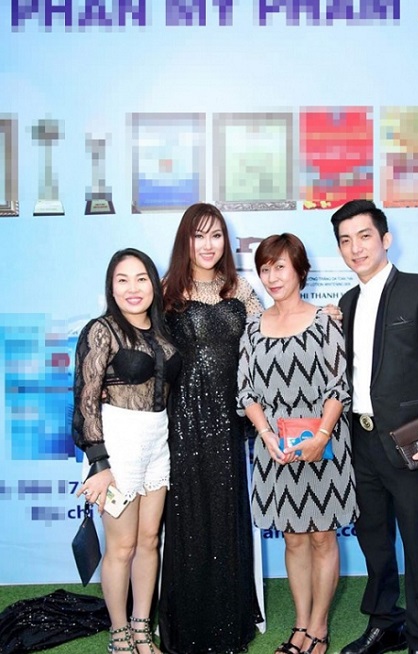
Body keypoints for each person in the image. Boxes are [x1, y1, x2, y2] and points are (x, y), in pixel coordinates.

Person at [330, 200, 418, 654]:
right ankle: (385, 622)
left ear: (385, 239)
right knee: (374, 539)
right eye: (346, 240)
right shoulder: (347, 302)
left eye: (364, 236)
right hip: (360, 441)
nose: (356, 248)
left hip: (411, 441)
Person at [237, 233, 359, 654]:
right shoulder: (252, 328)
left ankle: (319, 629)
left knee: (323, 537)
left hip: (325, 446)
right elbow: (246, 391)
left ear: (300, 271)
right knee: (293, 539)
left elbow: (338, 387)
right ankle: (301, 624)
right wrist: (266, 434)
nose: (272, 277)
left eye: (280, 267)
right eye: (265, 269)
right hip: (276, 450)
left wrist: (321, 436)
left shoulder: (325, 322)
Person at [157, 203, 264, 654]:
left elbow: (272, 333)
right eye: (199, 235)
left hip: (229, 422)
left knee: (225, 515)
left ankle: (228, 622)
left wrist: (322, 316)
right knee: (187, 519)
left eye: (216, 235)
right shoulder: (166, 291)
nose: (208, 244)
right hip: (182, 421)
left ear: (226, 241)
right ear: (186, 240)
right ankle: (187, 623)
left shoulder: (241, 289)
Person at [72, 248, 181, 654]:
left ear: (154, 284)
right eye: (123, 279)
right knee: (121, 546)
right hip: (118, 445)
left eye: (141, 278)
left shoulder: (164, 334)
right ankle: (119, 634)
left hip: (157, 442)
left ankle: (140, 628)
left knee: (150, 541)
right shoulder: (102, 330)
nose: (133, 288)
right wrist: (98, 462)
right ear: (111, 287)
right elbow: (86, 397)